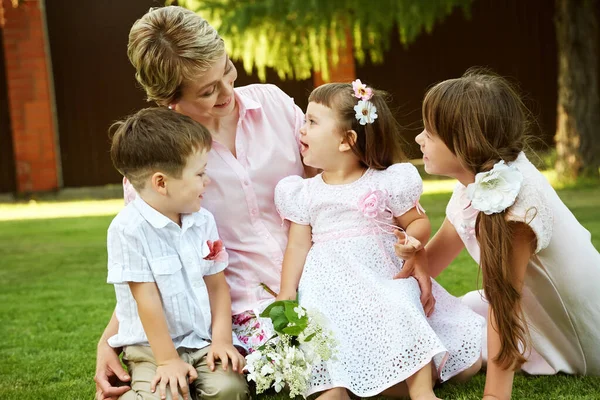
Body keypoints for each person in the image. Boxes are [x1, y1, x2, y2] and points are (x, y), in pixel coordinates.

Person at [274, 81, 484, 400]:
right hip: (329, 282)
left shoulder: (386, 181)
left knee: (400, 302)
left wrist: (411, 242)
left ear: (347, 140)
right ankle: (335, 387)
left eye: (312, 122)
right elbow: (298, 245)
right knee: (321, 325)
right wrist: (287, 292)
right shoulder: (304, 192)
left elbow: (417, 221)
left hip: (380, 273)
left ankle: (420, 389)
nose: (302, 130)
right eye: (304, 119)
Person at [415, 69, 600, 400]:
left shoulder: (515, 202)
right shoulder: (477, 179)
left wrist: (494, 396)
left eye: (430, 131)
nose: (419, 138)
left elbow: (504, 305)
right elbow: (428, 265)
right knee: (452, 313)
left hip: (582, 336)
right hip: (534, 316)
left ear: (465, 141)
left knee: (463, 327)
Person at [106, 108, 248, 400]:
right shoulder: (128, 229)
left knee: (230, 390)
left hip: (201, 340)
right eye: (199, 174)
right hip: (150, 347)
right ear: (161, 183)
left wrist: (221, 339)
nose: (207, 181)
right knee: (168, 395)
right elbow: (146, 300)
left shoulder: (202, 220)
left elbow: (217, 286)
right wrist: (168, 361)